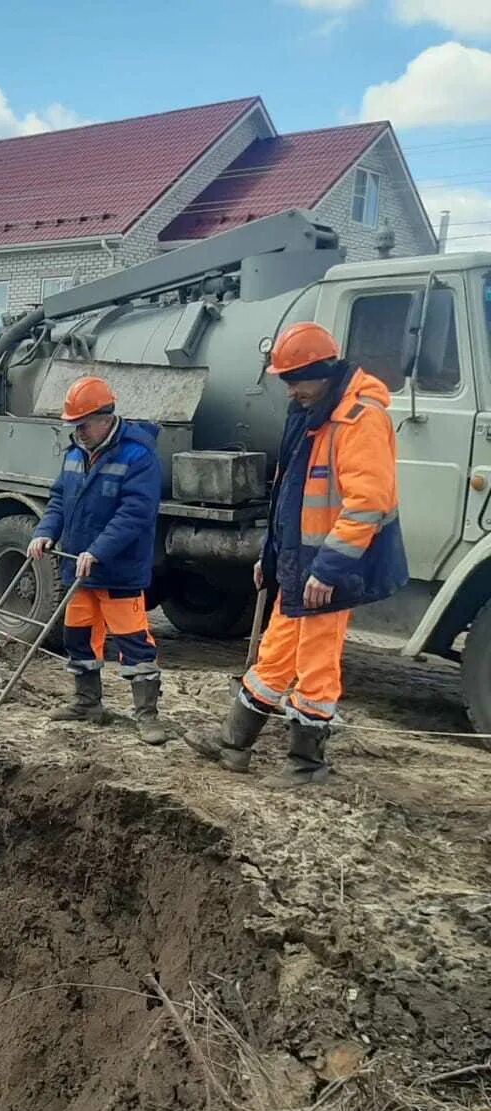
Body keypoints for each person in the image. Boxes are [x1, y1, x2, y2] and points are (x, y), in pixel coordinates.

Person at [187, 322, 407, 786]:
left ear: (322, 371)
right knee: (276, 654)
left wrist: (328, 568)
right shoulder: (311, 413)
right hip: (298, 564)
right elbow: (288, 495)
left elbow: (370, 502)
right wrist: (270, 559)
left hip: (329, 568)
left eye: (294, 380)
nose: (290, 390)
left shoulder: (359, 417)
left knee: (316, 665)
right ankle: (233, 744)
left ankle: (307, 765)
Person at [28, 375, 167, 744]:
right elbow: (59, 500)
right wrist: (45, 532)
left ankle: (147, 716)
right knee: (79, 637)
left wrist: (99, 551)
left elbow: (135, 514)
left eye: (83, 424)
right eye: (74, 425)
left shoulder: (138, 455)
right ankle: (87, 702)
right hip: (79, 568)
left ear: (105, 417)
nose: (78, 432)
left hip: (118, 571)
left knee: (133, 641)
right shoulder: (76, 453)